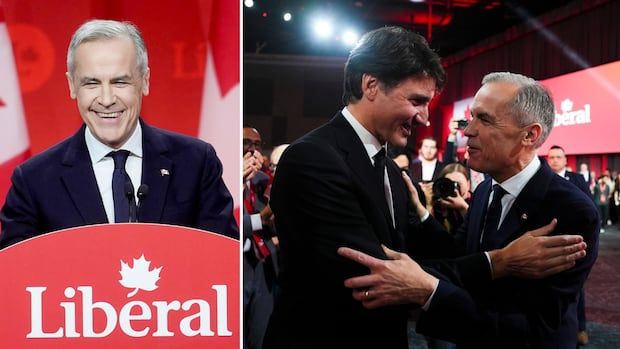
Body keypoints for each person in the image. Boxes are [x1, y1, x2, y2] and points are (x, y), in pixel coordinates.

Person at [263, 26, 588, 349]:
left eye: (484, 120)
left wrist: (421, 220)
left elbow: (422, 259)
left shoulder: (389, 169)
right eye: (417, 101)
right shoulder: (313, 158)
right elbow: (378, 276)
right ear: (371, 85)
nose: (425, 118)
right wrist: (497, 261)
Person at [339, 72, 599, 348]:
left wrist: (429, 292)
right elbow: (461, 257)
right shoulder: (487, 189)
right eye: (471, 117)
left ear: (530, 135)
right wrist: (422, 215)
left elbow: (534, 329)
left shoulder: (570, 210)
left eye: (484, 119)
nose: (467, 131)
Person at [0, 19, 238, 248]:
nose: (106, 99)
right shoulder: (34, 181)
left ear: (144, 81)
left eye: (120, 82)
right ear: (72, 86)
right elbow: (15, 275)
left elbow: (223, 259)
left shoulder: (196, 162)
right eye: (91, 83)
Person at [546, 144, 593, 345]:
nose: (555, 160)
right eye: (552, 157)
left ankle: (580, 327)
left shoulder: (578, 179)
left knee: (576, 286)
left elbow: (589, 210)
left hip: (574, 241)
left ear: (566, 160)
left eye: (559, 157)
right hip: (548, 241)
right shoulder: (542, 180)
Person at [243, 126, 278, 349]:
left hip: (264, 264)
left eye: (257, 144)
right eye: (247, 143)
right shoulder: (221, 175)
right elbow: (226, 221)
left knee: (262, 335)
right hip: (233, 264)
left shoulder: (266, 181)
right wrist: (261, 220)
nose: (253, 149)